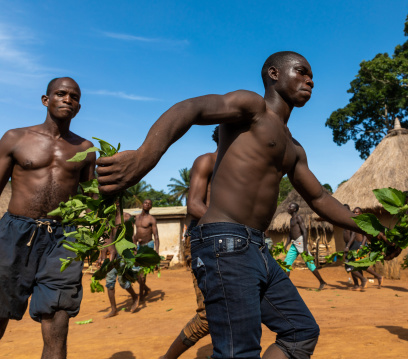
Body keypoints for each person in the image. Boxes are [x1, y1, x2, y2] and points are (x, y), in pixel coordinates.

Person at [96, 51, 382, 359]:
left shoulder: (294, 148)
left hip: (257, 248)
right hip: (223, 241)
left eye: (311, 75)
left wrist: (370, 227)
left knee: (300, 332)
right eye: (301, 72)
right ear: (274, 74)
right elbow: (191, 108)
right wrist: (143, 157)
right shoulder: (252, 108)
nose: (309, 79)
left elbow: (319, 198)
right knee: (239, 351)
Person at [0, 77, 95, 358]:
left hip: (64, 238)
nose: (68, 99)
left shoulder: (85, 149)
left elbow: (92, 200)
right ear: (46, 100)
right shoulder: (15, 138)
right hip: (15, 233)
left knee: (57, 315)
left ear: (78, 107)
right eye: (61, 94)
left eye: (74, 97)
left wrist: (106, 239)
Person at [161, 126, 218, 359]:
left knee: (234, 309)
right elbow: (194, 207)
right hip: (204, 241)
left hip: (231, 242)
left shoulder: (244, 168)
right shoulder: (210, 162)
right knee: (208, 316)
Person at [103, 211, 140, 318]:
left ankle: (135, 297)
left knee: (122, 281)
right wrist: (103, 255)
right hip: (112, 254)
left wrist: (133, 249)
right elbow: (106, 238)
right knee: (109, 282)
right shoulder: (107, 218)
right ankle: (114, 309)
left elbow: (130, 235)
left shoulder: (126, 217)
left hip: (122, 253)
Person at [284, 202, 327, 290]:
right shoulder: (291, 219)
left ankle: (322, 281)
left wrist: (304, 248)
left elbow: (304, 231)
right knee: (286, 264)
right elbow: (290, 233)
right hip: (294, 243)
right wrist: (286, 244)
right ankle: (285, 285)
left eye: (290, 207)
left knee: (310, 264)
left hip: (300, 243)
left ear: (294, 209)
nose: (288, 208)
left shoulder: (298, 218)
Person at [349, 207, 383, 289]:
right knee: (360, 265)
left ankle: (378, 276)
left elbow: (365, 235)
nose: (355, 213)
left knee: (363, 265)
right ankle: (368, 280)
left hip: (362, 246)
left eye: (357, 212)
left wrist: (362, 245)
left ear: (361, 213)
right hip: (357, 246)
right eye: (354, 212)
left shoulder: (362, 223)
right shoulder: (355, 222)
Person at [134, 198, 159, 300]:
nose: (147, 204)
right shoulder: (136, 218)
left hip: (148, 246)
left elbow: (156, 236)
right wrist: (134, 245)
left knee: (142, 273)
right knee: (134, 271)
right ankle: (146, 289)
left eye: (149, 203)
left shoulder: (151, 219)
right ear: (142, 204)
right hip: (138, 246)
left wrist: (156, 253)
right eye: (145, 202)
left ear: (151, 207)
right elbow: (135, 233)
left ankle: (141, 296)